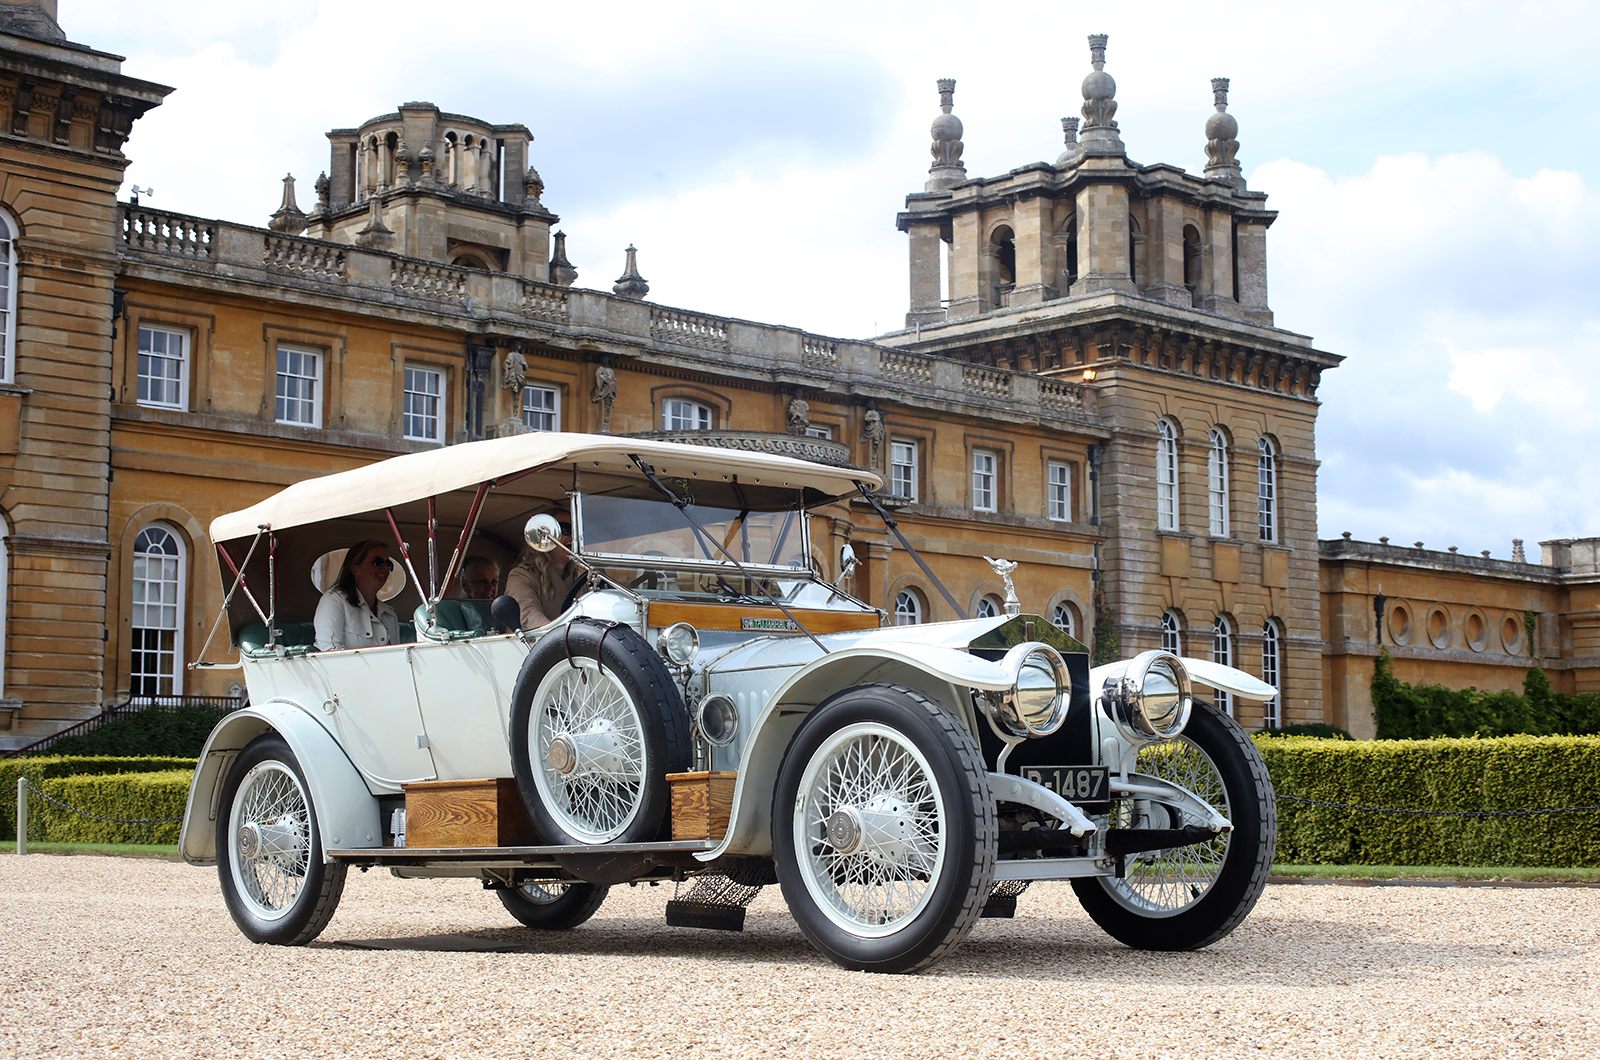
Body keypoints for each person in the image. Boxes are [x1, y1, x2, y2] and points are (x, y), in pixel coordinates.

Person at [314, 540, 401, 651]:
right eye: (378, 562)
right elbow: (330, 652)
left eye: (388, 564)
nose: (385, 567)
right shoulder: (334, 601)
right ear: (355, 569)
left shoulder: (390, 615)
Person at [506, 515, 579, 629]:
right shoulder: (521, 576)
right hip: (536, 640)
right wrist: (558, 635)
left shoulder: (582, 578)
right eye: (565, 529)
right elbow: (529, 616)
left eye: (577, 530)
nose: (573, 536)